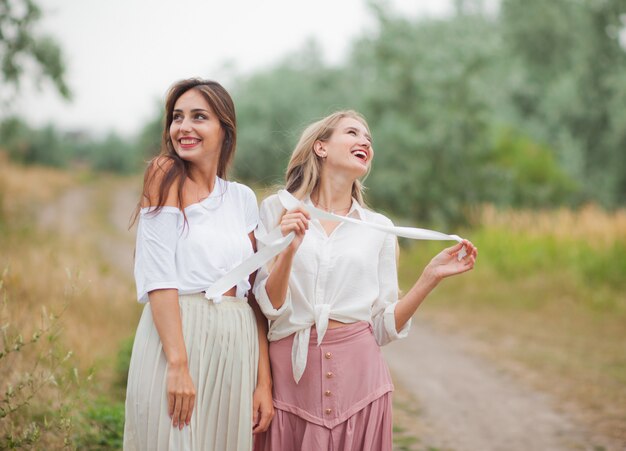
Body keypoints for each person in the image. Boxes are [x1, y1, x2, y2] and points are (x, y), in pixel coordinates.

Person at [252, 110, 477, 451]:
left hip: (361, 384)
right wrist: (289, 250)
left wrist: (428, 278)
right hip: (289, 384)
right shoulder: (277, 210)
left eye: (369, 139)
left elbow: (382, 327)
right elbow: (267, 306)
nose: (365, 142)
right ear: (320, 147)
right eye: (353, 133)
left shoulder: (378, 228)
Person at [123, 78, 273, 451]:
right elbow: (159, 277)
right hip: (179, 338)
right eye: (177, 117)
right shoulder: (164, 174)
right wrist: (177, 364)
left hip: (236, 345)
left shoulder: (242, 198)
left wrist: (263, 382)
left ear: (225, 129)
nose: (184, 127)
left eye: (199, 117)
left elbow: (253, 296)